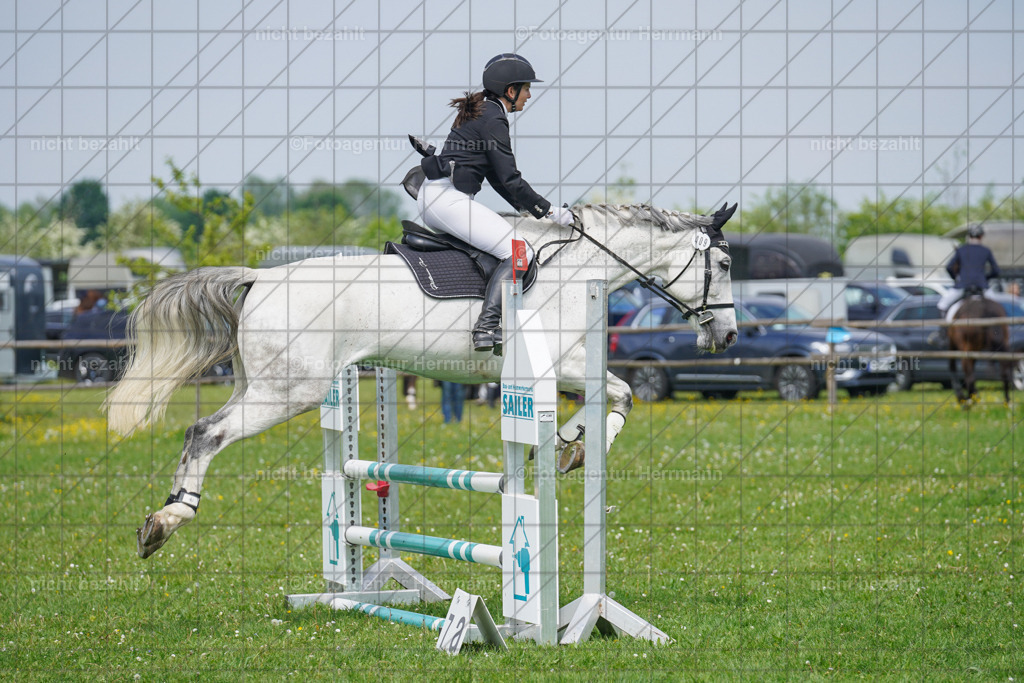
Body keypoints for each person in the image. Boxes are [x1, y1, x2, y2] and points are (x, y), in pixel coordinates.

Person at [416, 53, 575, 354]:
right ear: (510, 91)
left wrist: (532, 210)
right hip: (446, 200)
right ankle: (487, 326)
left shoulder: (486, 111)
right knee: (520, 251)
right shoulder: (493, 118)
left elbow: (498, 180)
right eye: (526, 88)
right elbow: (510, 178)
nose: (529, 95)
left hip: (439, 196)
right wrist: (550, 210)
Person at [932, 223, 1000, 343]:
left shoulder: (962, 249)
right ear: (981, 236)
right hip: (982, 287)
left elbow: (949, 267)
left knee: (942, 305)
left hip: (962, 286)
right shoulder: (986, 250)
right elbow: (996, 271)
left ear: (969, 236)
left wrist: (956, 278)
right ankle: (997, 333)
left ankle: (942, 334)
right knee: (996, 308)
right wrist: (985, 279)